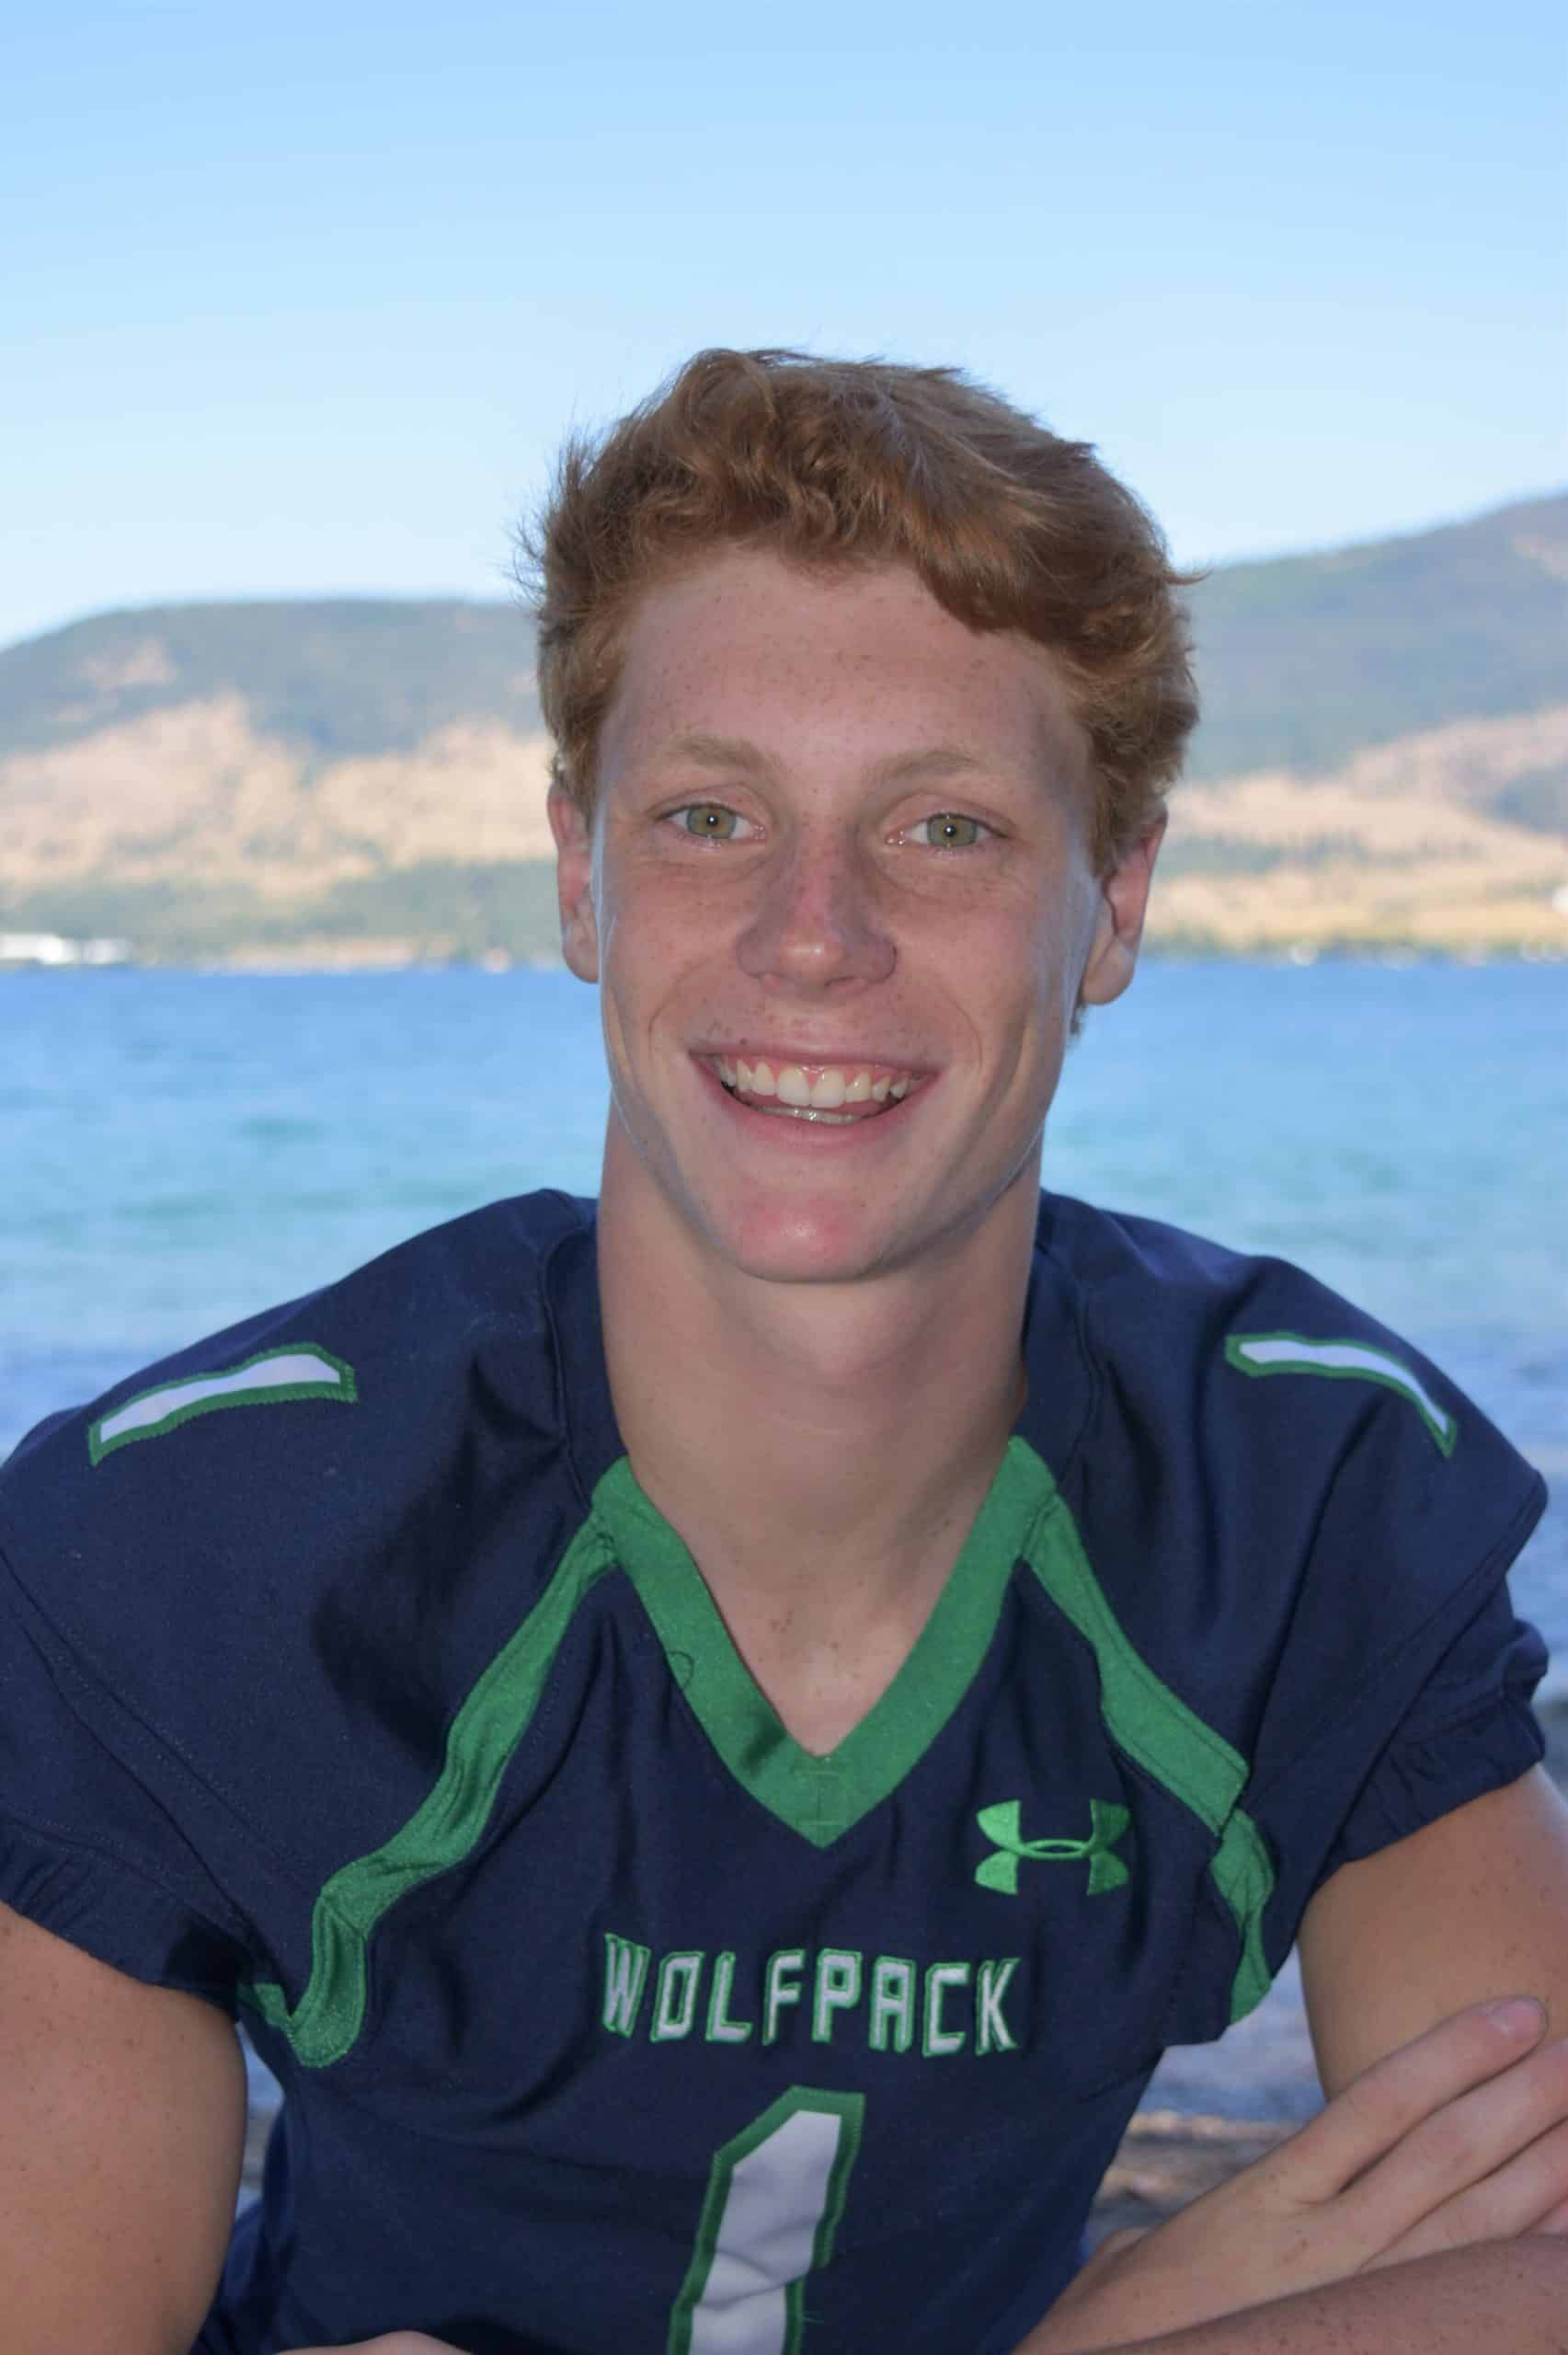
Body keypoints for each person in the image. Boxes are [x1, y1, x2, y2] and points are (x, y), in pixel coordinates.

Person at [2, 348, 1567, 2355]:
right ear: (580, 873)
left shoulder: (1291, 1495)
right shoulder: (209, 1542)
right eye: (710, 815)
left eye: (947, 827)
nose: (813, 931)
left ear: (1113, 903)